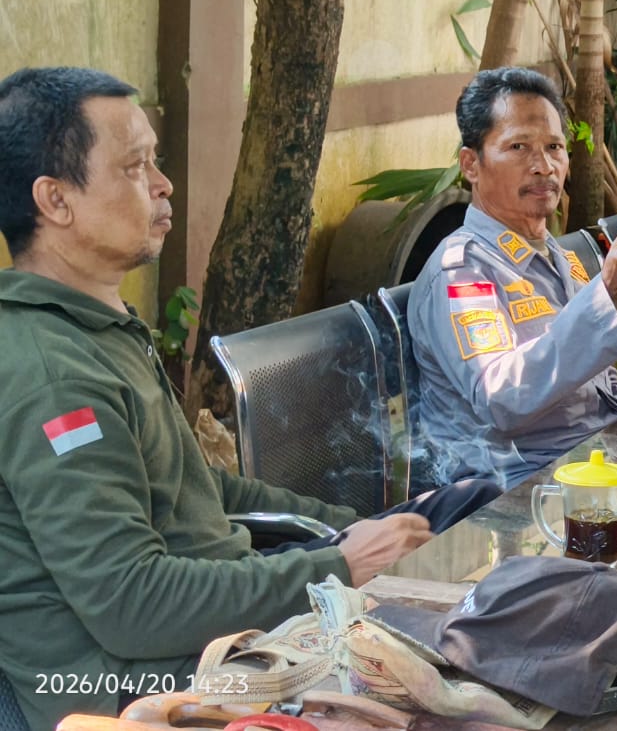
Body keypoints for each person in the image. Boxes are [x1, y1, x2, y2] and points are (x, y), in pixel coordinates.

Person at [0, 67, 498, 730]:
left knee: (467, 569)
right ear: (56, 200)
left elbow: (195, 487)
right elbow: (130, 602)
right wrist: (337, 566)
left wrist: (349, 526)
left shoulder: (96, 327)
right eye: (135, 166)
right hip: (132, 691)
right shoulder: (54, 376)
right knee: (458, 686)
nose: (162, 183)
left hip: (207, 640)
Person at [409, 67, 617, 486]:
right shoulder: (462, 272)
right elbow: (503, 399)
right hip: (516, 485)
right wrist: (608, 300)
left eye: (554, 147)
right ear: (471, 164)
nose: (544, 166)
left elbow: (600, 388)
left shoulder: (557, 255)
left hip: (591, 463)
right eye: (518, 147)